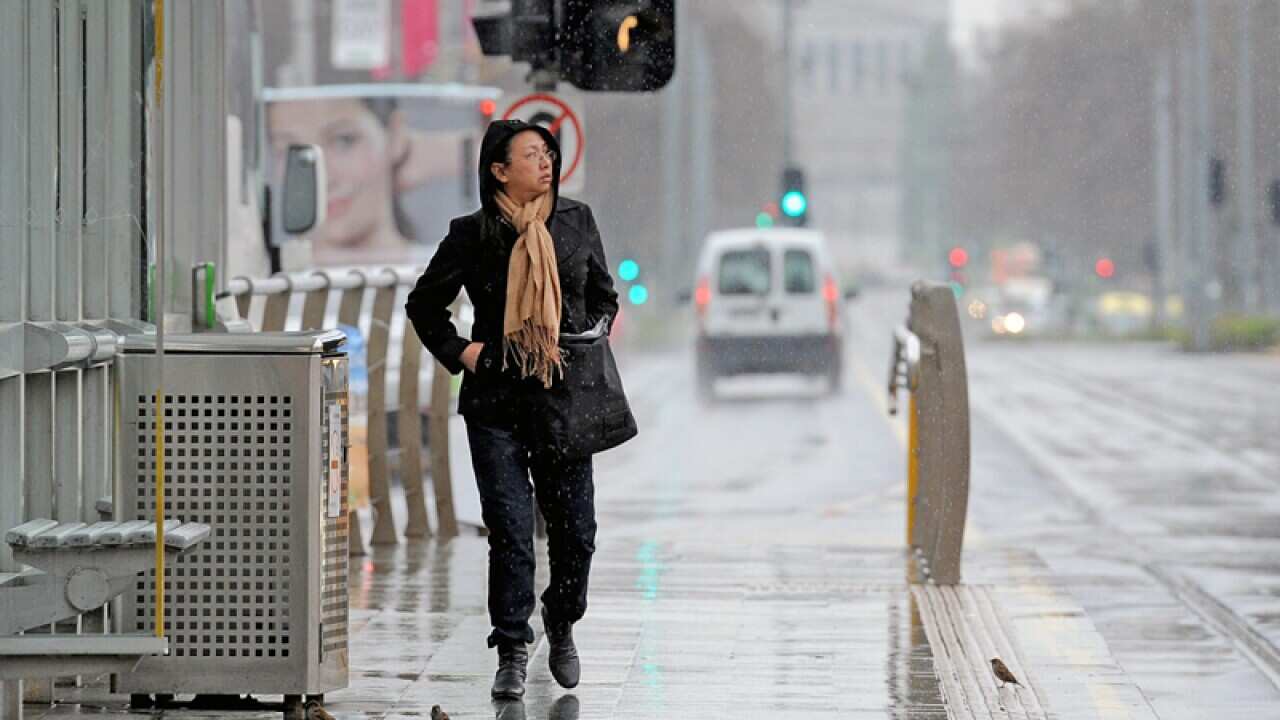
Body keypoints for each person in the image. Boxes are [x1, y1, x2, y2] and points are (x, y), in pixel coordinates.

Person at [405, 119, 620, 699]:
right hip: (496, 401)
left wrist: (591, 332)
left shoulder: (576, 221)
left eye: (548, 153)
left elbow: (604, 294)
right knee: (511, 530)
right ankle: (512, 647)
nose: (546, 162)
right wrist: (463, 352)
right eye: (531, 154)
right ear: (499, 170)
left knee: (577, 533)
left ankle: (562, 618)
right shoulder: (472, 234)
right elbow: (424, 305)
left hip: (563, 400)